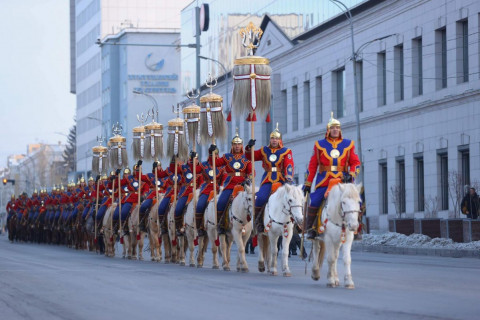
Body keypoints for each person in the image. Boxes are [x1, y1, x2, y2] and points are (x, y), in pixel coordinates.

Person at [303, 112, 361, 240]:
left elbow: (356, 163)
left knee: (356, 199)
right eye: (333, 128)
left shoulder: (348, 144)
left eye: (337, 128)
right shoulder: (319, 145)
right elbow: (312, 166)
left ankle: (357, 227)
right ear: (328, 130)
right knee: (316, 200)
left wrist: (351, 174)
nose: (335, 130)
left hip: (343, 180)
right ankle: (311, 228)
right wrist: (308, 184)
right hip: (325, 180)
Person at [245, 123, 294, 233]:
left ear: (280, 140)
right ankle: (258, 222)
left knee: (292, 198)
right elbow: (250, 156)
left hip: (281, 179)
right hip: (267, 179)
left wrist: (288, 178)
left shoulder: (286, 151)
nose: (274, 140)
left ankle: (296, 222)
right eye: (272, 138)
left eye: (276, 138)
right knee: (260, 198)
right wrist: (249, 147)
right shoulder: (264, 150)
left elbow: (289, 165)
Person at [208, 131, 252, 234]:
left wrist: (248, 179)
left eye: (239, 144)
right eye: (235, 144)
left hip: (243, 185)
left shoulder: (247, 158)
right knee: (221, 203)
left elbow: (251, 171)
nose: (237, 146)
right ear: (232, 145)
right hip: (230, 185)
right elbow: (214, 163)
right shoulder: (226, 157)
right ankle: (220, 225)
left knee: (253, 202)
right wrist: (211, 153)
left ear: (242, 145)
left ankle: (254, 225)